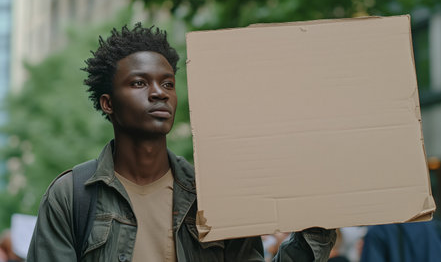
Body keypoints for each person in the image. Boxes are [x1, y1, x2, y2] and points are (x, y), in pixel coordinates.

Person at [26, 23, 336, 261]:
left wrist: (314, 234)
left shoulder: (214, 195)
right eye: (139, 83)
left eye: (167, 83)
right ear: (108, 104)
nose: (159, 92)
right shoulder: (71, 196)